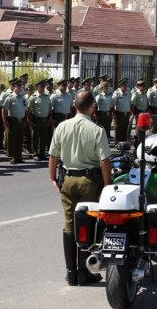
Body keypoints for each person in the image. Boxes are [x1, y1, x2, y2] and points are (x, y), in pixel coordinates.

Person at [48, 90, 111, 286]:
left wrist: (53, 178)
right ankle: (84, 272)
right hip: (89, 181)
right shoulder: (97, 129)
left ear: (74, 106)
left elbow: (53, 157)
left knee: (69, 226)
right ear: (92, 106)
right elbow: (104, 161)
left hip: (68, 179)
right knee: (88, 225)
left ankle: (71, 273)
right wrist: (108, 184)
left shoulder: (62, 126)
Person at [1, 79, 27, 164]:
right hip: (12, 121)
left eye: (20, 87)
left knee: (19, 140)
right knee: (11, 140)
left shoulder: (23, 98)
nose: (19, 88)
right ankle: (12, 157)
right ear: (13, 87)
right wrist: (4, 120)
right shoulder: (10, 98)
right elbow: (4, 109)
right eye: (17, 87)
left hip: (20, 121)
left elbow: (25, 109)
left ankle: (18, 157)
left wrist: (25, 120)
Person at [27, 80, 52, 161]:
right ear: (37, 87)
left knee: (44, 138)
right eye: (40, 86)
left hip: (45, 120)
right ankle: (35, 154)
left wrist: (49, 119)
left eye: (43, 86)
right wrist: (29, 122)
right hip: (36, 120)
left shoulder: (47, 96)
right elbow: (28, 110)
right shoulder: (33, 97)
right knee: (35, 138)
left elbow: (50, 109)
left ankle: (42, 153)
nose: (42, 88)